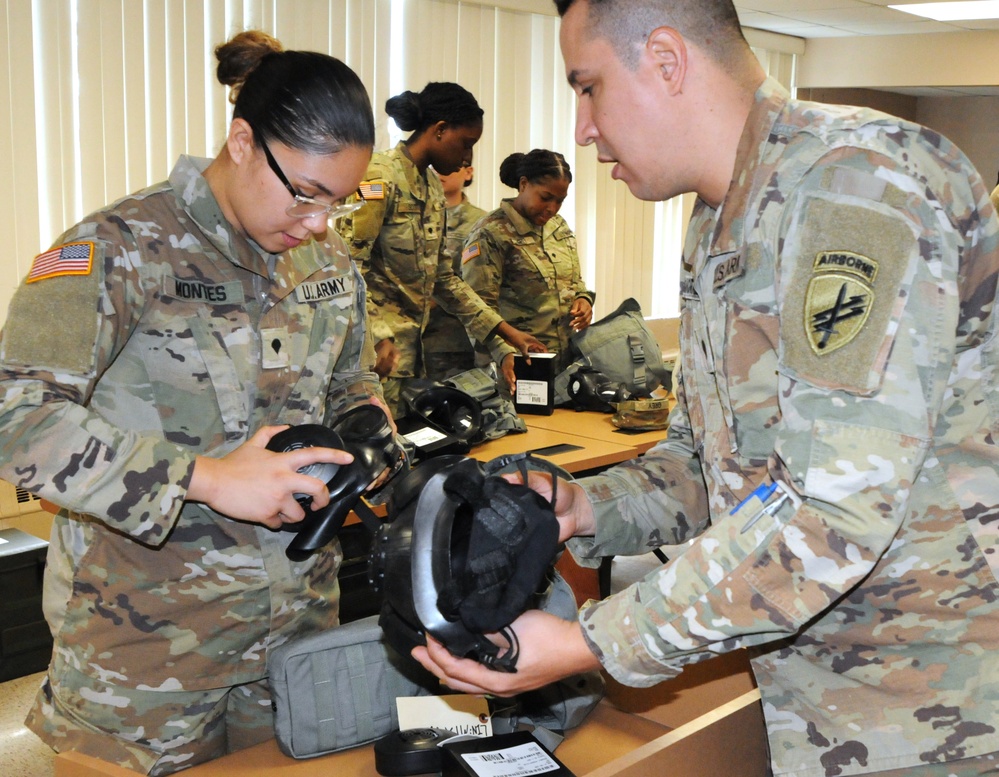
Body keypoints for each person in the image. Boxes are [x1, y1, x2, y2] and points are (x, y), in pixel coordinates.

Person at [412, 2, 999, 776]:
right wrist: (589, 507)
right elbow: (710, 463)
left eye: (587, 88)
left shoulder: (854, 184)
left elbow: (827, 514)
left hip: (931, 708)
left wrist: (593, 640)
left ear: (665, 58)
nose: (582, 129)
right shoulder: (720, 221)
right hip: (815, 691)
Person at [0, 31, 386, 774]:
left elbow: (349, 379)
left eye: (337, 202)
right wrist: (207, 479)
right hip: (146, 652)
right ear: (242, 140)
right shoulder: (114, 247)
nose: (316, 223)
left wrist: (368, 426)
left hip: (294, 634)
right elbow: (15, 413)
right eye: (304, 193)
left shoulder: (325, 258)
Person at [337, 83, 544, 416]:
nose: (467, 158)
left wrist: (504, 333)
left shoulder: (431, 187)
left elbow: (444, 280)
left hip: (416, 363)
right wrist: (375, 334)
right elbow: (346, 266)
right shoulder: (377, 178)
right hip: (375, 360)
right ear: (440, 130)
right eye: (466, 144)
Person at [462, 148, 594, 392]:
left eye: (560, 200)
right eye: (545, 197)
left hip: (563, 366)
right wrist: (503, 354)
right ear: (523, 185)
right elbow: (476, 311)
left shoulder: (557, 227)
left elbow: (573, 281)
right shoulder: (490, 234)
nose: (552, 208)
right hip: (515, 367)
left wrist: (584, 300)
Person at [421, 161, 486, 380]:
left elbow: (477, 281)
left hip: (452, 341)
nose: (441, 171)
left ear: (468, 172)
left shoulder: (480, 222)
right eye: (435, 167)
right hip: (408, 339)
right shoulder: (413, 215)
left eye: (452, 166)